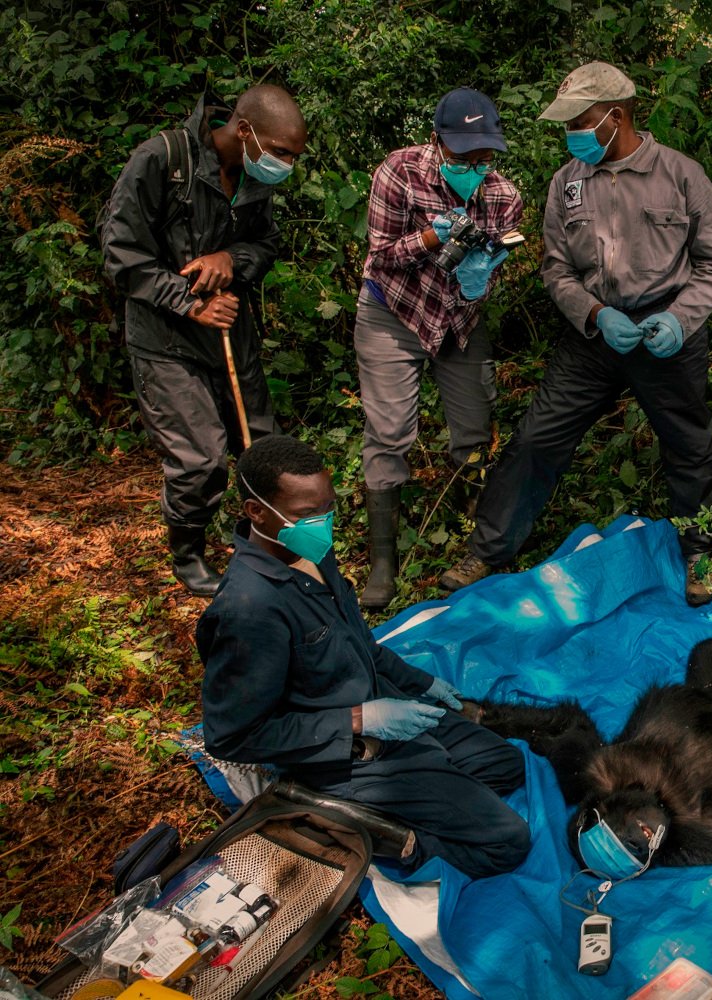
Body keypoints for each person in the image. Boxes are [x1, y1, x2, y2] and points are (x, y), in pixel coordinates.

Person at [440, 61, 712, 606]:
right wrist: (597, 315)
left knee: (689, 446)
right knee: (536, 438)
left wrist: (679, 318)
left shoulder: (681, 174)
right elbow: (557, 269)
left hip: (666, 333)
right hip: (596, 336)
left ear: (615, 116)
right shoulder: (565, 184)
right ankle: (488, 549)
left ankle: (701, 553)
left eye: (580, 119)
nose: (570, 131)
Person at [196, 435, 531, 879]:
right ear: (256, 511)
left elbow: (360, 643)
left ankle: (424, 791)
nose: (322, 525)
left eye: (327, 509)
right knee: (507, 842)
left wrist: (419, 682)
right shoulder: (250, 610)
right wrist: (358, 720)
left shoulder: (308, 550)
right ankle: (390, 837)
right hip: (342, 755)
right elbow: (232, 737)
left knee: (505, 763)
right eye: (305, 516)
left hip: (387, 707)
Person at [101, 85, 307, 597]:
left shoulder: (254, 177)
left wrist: (230, 260)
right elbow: (121, 255)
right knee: (201, 459)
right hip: (165, 341)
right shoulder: (162, 159)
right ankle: (188, 554)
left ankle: (269, 545)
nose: (286, 165)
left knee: (262, 445)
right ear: (244, 131)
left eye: (294, 156)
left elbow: (265, 243)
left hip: (231, 336)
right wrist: (191, 302)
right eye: (281, 152)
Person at [354, 88, 523, 609]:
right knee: (389, 432)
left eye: (483, 158)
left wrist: (481, 281)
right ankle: (383, 563)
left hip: (460, 320)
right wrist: (429, 239)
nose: (473, 167)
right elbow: (380, 256)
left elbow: (493, 260)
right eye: (462, 158)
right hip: (394, 310)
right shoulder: (397, 171)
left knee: (474, 427)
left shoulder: (504, 196)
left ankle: (474, 532)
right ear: (436, 142)